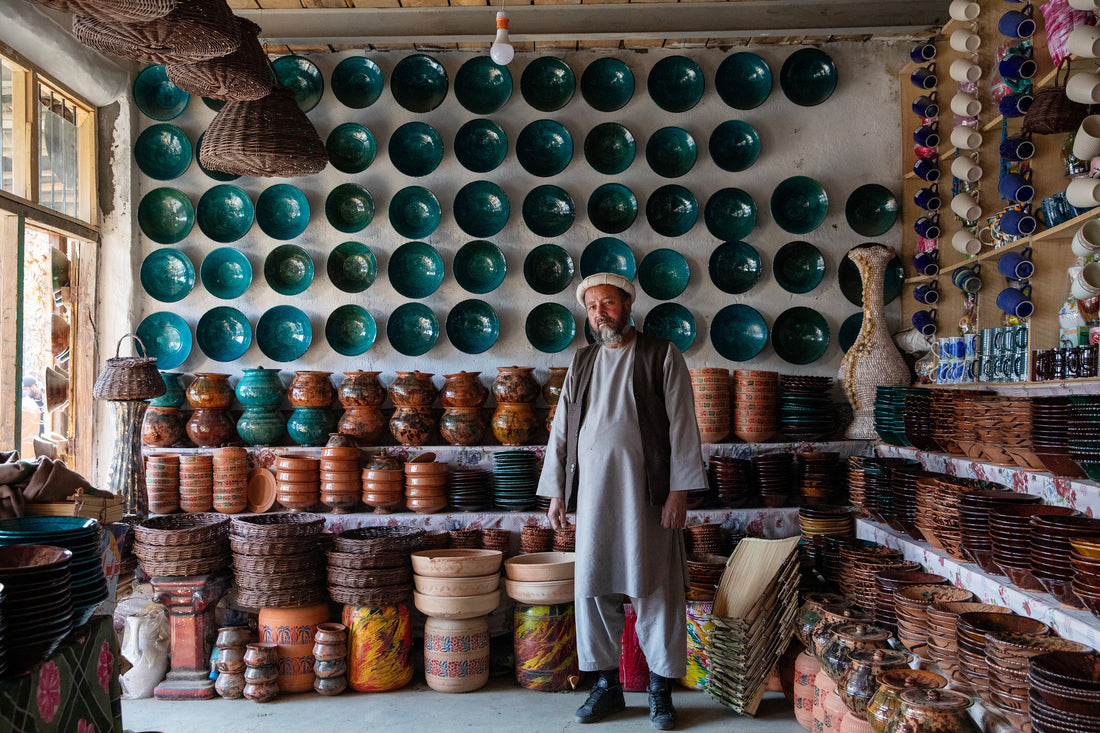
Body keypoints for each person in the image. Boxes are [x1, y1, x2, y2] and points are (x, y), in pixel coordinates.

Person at [536, 272, 706, 730]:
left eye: (607, 303)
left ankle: (660, 691)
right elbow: (561, 430)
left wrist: (679, 491)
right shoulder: (583, 360)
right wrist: (555, 489)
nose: (599, 313)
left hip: (647, 495)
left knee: (656, 587)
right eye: (592, 307)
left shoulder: (660, 354)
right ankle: (606, 687)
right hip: (592, 496)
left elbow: (682, 427)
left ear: (628, 304)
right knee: (593, 587)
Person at [21, 376, 45, 458]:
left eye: (26, 389)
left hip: (29, 448)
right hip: (32, 449)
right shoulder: (32, 403)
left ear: (33, 386)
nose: (25, 392)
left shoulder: (27, 405)